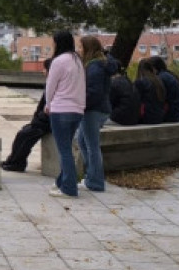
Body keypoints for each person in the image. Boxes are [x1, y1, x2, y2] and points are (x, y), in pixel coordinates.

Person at [46, 30, 86, 199]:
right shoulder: (78, 60)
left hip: (60, 108)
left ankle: (69, 188)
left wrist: (48, 104)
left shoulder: (58, 61)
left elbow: (50, 86)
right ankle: (61, 182)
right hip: (77, 109)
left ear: (58, 43)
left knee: (64, 151)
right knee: (67, 149)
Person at [76, 36, 118, 193]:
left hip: (92, 110)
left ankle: (96, 182)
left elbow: (93, 92)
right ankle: (91, 175)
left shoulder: (94, 67)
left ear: (88, 49)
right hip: (100, 109)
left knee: (92, 146)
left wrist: (80, 104)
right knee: (81, 140)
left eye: (80, 47)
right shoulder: (101, 64)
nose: (78, 50)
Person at [1, 58, 52, 172]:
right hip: (44, 120)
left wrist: (38, 120)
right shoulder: (49, 85)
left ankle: (17, 163)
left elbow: (47, 108)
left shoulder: (52, 86)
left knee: (26, 135)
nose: (43, 71)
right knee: (23, 133)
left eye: (45, 69)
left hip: (47, 122)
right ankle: (12, 160)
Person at [149, 56, 179, 122]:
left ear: (153, 68)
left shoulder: (160, 78)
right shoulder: (170, 75)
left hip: (170, 115)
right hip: (176, 114)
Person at [134, 59, 167, 125]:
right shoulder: (158, 81)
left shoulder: (140, 82)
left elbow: (135, 100)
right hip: (159, 117)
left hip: (147, 118)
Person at [108, 62, 140, 126]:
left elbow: (109, 103)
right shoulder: (128, 81)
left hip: (120, 119)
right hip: (134, 119)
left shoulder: (114, 83)